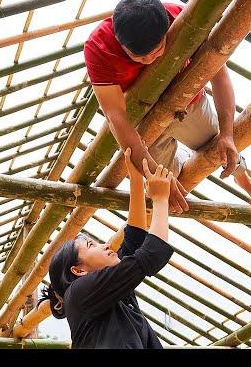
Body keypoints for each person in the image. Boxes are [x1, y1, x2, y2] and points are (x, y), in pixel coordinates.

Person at [84, 0, 251, 213]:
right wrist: (152, 173)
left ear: (167, 31)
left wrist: (228, 133)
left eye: (156, 51)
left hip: (189, 102)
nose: (149, 61)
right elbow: (115, 117)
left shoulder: (181, 18)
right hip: (145, 121)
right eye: (139, 57)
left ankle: (242, 176)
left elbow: (219, 74)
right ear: (119, 40)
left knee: (223, 148)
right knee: (166, 188)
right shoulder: (98, 48)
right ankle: (181, 156)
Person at [40, 147, 174, 348]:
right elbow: (150, 255)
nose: (105, 245)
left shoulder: (110, 294)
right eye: (91, 245)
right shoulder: (78, 293)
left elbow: (134, 239)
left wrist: (136, 179)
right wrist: (160, 199)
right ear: (78, 270)